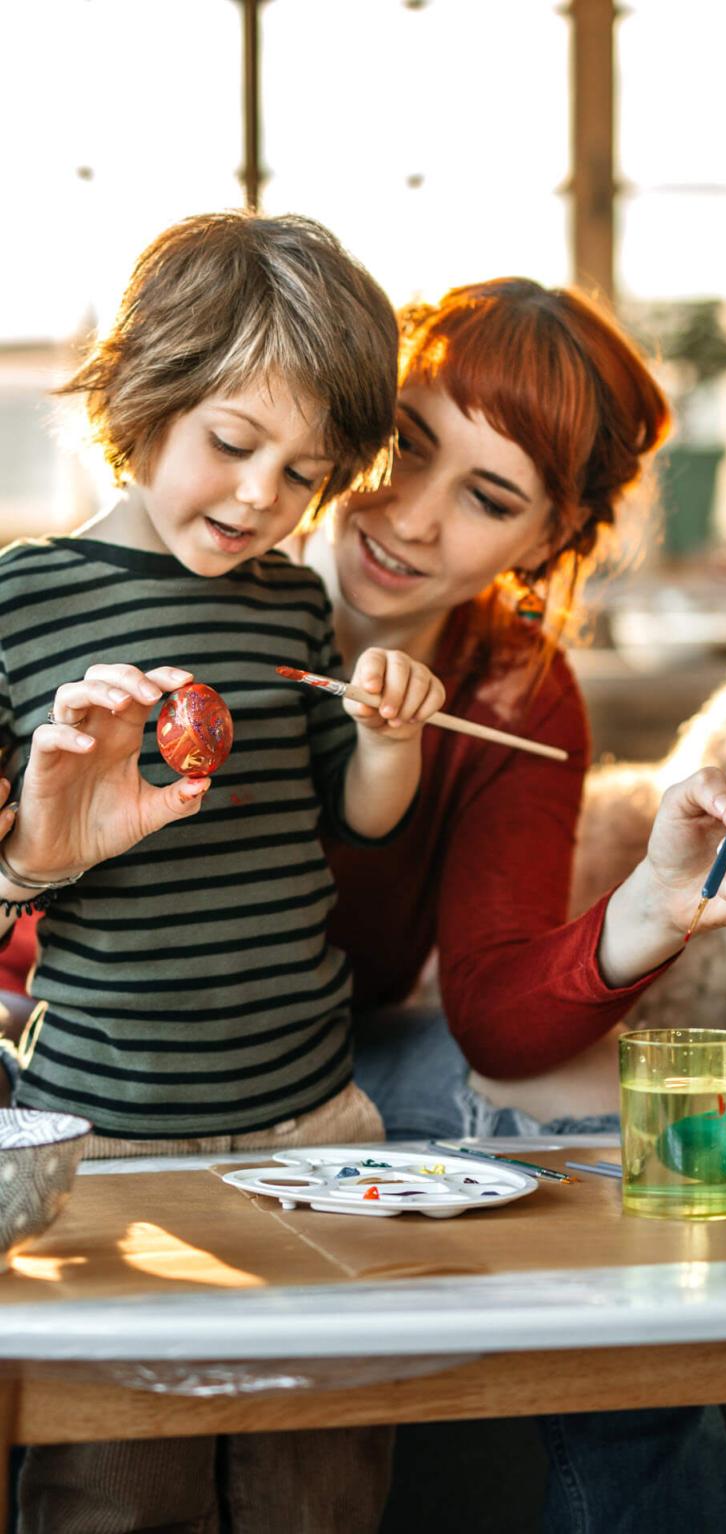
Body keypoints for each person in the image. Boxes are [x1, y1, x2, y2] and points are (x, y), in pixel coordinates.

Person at [288, 277, 726, 1532]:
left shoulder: (513, 690)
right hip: (118, 1050)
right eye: (403, 444)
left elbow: (497, 1014)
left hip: (341, 1046)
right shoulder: (199, 557)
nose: (407, 516)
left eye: (486, 499)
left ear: (544, 543)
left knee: (618, 1118)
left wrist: (652, 906)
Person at [0, 209, 445, 1534]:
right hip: (110, 1134)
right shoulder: (24, 600)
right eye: (232, 444)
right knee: (118, 1487)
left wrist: (386, 736)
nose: (261, 499)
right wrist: (35, 844)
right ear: (140, 400)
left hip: (309, 1119)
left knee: (319, 1484)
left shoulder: (288, 602)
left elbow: (358, 817)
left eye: (302, 473)